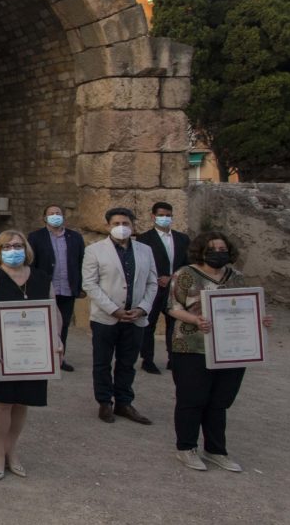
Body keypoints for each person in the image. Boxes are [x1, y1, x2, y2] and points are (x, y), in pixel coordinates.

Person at [166, 232, 272, 472]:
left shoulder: (237, 277)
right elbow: (172, 307)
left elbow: (247, 306)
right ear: (201, 251)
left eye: (222, 248)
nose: (218, 252)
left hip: (231, 349)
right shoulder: (185, 274)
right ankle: (186, 448)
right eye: (212, 248)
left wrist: (259, 320)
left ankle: (215, 450)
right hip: (192, 347)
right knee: (192, 399)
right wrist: (195, 319)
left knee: (219, 402)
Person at [0, 231, 60, 480]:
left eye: (18, 245)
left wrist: (57, 339)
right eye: (7, 246)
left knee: (22, 401)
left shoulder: (41, 277)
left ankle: (11, 450)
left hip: (33, 352)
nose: (13, 249)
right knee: (2, 401)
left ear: (26, 248)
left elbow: (53, 312)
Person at [82, 207, 159, 425]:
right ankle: (105, 402)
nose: (121, 228)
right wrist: (113, 309)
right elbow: (90, 283)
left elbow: (152, 282)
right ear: (108, 226)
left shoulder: (145, 250)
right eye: (116, 224)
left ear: (133, 226)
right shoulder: (95, 250)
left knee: (127, 362)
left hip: (136, 317)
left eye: (126, 223)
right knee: (102, 362)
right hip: (106, 317)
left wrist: (143, 308)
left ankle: (124, 402)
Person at [28, 204, 85, 372]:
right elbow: (31, 263)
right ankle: (40, 356)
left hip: (67, 288)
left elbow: (81, 261)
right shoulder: (36, 237)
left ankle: (60, 356)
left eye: (58, 213)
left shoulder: (74, 237)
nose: (55, 216)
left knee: (63, 324)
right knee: (42, 323)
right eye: (51, 213)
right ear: (44, 217)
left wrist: (80, 285)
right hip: (46, 288)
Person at [136, 201, 190, 375]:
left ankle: (173, 358)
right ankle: (147, 359)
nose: (165, 218)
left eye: (168, 215)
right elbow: (142, 264)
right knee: (148, 324)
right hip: (154, 287)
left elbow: (187, 264)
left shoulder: (182, 238)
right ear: (153, 216)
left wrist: (174, 277)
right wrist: (157, 278)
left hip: (175, 288)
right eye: (161, 215)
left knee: (174, 324)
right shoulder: (144, 239)